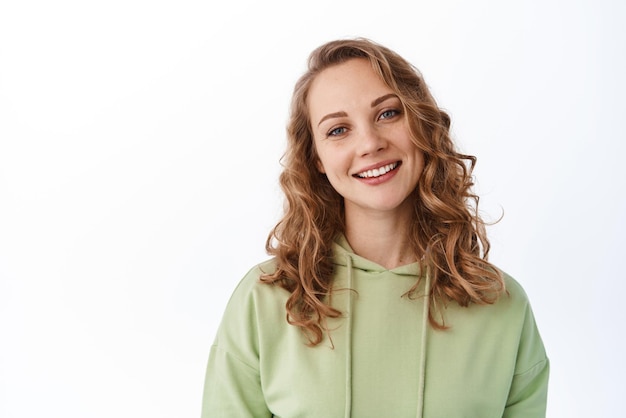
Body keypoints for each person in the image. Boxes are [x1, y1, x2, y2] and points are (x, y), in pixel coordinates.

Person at [201, 38, 549, 418]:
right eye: (337, 130)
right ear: (315, 157)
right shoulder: (265, 301)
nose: (369, 143)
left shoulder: (502, 304)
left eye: (388, 114)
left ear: (422, 123)